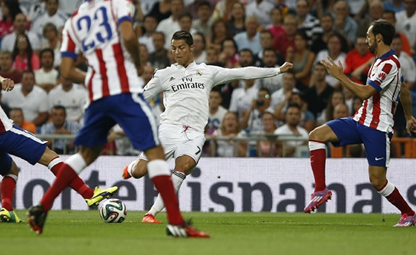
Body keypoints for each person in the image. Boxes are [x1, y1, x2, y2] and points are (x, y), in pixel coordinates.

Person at [27, 0, 209, 238]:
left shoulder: (73, 21)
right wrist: (135, 64)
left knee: (85, 155)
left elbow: (65, 71)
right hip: (124, 90)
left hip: (97, 95)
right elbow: (127, 35)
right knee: (155, 153)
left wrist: (92, 78)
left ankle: (43, 206)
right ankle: (175, 223)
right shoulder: (118, 2)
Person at [121, 29, 293, 224]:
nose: (177, 52)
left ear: (191, 48)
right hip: (168, 129)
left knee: (183, 167)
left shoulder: (208, 71)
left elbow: (242, 73)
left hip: (194, 133)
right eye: (174, 48)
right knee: (139, 172)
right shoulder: (163, 75)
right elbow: (141, 98)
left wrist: (276, 70)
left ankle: (150, 214)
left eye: (181, 48)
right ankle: (133, 167)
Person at [0, 35, 109, 223]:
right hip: (2, 131)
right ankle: (89, 194)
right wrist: (1, 79)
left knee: (11, 170)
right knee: (50, 157)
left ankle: (6, 209)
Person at [305, 19, 416, 227]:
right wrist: (410, 117)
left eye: (368, 36)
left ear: (378, 37)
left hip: (378, 127)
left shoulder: (389, 64)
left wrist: (340, 76)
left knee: (377, 181)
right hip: (360, 120)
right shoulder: (378, 61)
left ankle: (408, 213)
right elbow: (403, 91)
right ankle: (320, 189)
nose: (366, 40)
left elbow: (365, 92)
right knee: (316, 135)